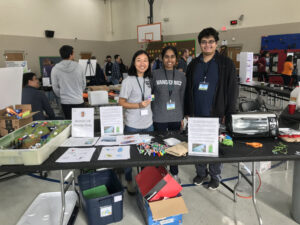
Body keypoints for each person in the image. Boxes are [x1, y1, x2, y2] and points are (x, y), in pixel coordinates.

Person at [184, 27, 238, 190]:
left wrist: (228, 113)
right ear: (200, 44)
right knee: (198, 145)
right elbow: (188, 90)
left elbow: (232, 90)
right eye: (204, 42)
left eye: (211, 42)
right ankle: (201, 173)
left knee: (215, 146)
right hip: (196, 113)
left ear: (216, 43)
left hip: (217, 113)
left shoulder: (225, 64)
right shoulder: (193, 64)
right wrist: (187, 111)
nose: (207, 45)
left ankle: (215, 176)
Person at [119, 50, 153, 194]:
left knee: (146, 155)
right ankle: (129, 180)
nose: (142, 63)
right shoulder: (128, 81)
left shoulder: (149, 79)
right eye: (139, 60)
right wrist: (138, 105)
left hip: (148, 124)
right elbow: (121, 102)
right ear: (134, 62)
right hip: (132, 125)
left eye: (145, 60)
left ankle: (145, 180)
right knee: (130, 156)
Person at [152, 46, 186, 183]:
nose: (169, 59)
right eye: (166, 56)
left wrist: (183, 116)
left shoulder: (181, 76)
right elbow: (151, 96)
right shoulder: (155, 74)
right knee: (160, 146)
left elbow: (182, 97)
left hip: (176, 116)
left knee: (175, 146)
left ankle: (174, 173)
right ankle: (161, 172)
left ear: (176, 59)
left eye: (172, 57)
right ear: (162, 58)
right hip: (159, 116)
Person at [51, 45, 86, 119]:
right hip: (78, 100)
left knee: (69, 122)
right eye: (73, 53)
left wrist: (62, 95)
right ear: (71, 54)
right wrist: (79, 92)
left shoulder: (55, 69)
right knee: (80, 123)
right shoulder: (79, 67)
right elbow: (84, 84)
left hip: (65, 102)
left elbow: (55, 87)